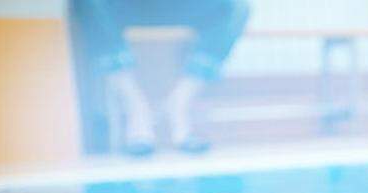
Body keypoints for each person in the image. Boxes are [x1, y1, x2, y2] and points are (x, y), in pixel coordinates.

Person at [73, 0, 250, 155]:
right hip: (128, 7)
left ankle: (178, 103)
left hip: (178, 6)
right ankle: (136, 107)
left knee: (235, 6)